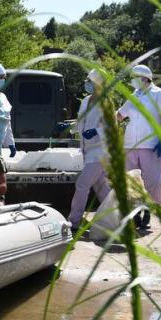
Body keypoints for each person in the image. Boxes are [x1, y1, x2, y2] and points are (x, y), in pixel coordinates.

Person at [117, 64, 161, 231]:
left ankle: (148, 210)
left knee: (152, 182)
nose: (132, 80)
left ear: (144, 78)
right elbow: (120, 115)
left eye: (135, 77)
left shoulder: (159, 94)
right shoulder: (134, 95)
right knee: (131, 182)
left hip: (151, 145)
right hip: (130, 145)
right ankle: (134, 214)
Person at [67, 69, 113, 230]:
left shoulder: (105, 102)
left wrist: (97, 131)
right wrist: (69, 127)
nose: (86, 83)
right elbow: (82, 122)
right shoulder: (86, 100)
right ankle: (118, 217)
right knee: (101, 187)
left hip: (100, 152)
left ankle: (74, 221)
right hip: (88, 150)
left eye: (89, 81)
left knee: (82, 184)